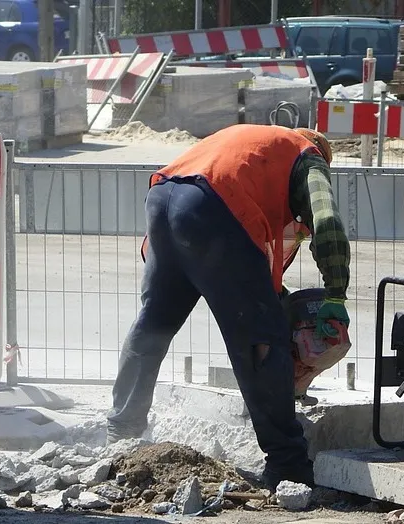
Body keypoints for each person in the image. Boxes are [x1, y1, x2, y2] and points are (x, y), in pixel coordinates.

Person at [106, 124, 351, 490]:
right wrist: (335, 293)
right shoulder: (308, 157)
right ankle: (288, 463)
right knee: (260, 342)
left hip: (164, 199)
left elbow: (249, 266)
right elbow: (327, 222)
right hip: (215, 206)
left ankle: (122, 434)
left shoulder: (254, 145)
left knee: (153, 325)